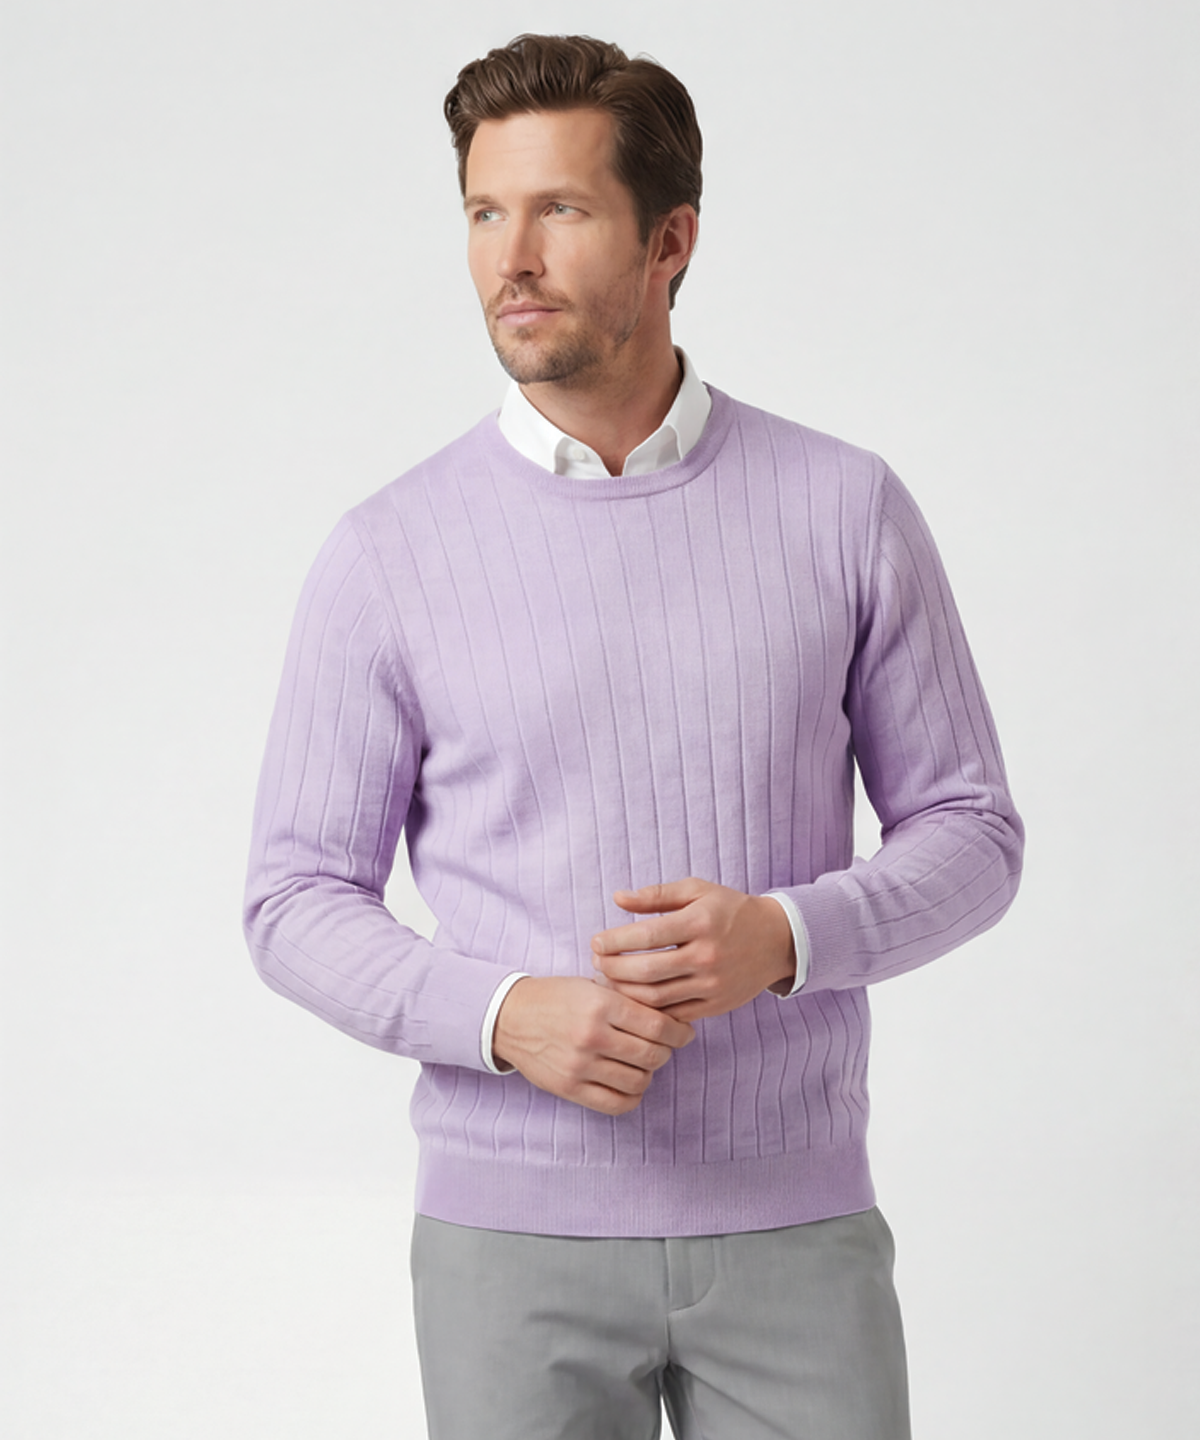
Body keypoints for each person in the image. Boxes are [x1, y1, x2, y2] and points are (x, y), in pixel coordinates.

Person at [244, 33, 1023, 1440]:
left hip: (795, 1228)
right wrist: (499, 1015)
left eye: (561, 209)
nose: (511, 259)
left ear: (672, 241)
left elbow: (973, 833)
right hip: (507, 1245)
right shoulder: (388, 553)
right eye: (485, 212)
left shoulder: (844, 509)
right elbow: (293, 897)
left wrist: (782, 937)